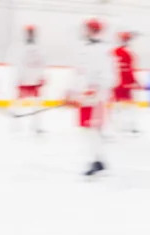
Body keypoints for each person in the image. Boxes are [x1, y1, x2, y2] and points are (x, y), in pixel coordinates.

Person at [66, 17, 117, 177]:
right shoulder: (82, 48)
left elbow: (111, 76)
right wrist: (71, 91)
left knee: (92, 128)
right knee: (86, 129)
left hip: (96, 98)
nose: (84, 30)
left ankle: (97, 161)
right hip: (83, 97)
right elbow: (78, 72)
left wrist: (97, 89)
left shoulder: (105, 50)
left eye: (87, 28)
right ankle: (98, 160)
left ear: (93, 30)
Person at [9, 24, 47, 134]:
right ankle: (15, 125)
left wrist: (42, 76)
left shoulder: (40, 48)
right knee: (17, 104)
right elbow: (16, 63)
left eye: (31, 32)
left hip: (35, 81)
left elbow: (42, 63)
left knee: (37, 105)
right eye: (29, 32)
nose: (30, 34)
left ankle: (36, 126)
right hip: (23, 80)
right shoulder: (19, 47)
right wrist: (18, 78)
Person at [112, 31, 140, 134]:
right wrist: (135, 82)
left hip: (114, 83)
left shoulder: (113, 51)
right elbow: (129, 70)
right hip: (125, 84)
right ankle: (131, 126)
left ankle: (115, 127)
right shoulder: (129, 53)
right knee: (130, 106)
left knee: (116, 105)